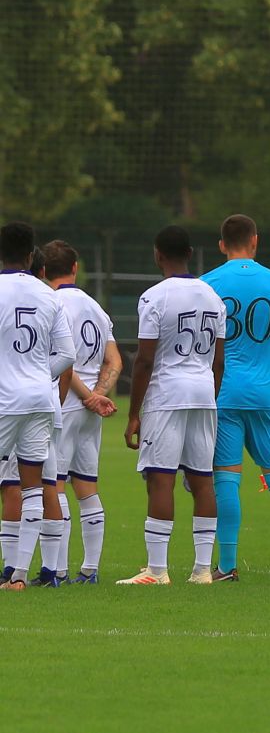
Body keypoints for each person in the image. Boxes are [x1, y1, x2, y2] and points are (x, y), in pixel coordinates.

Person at [201, 215, 270, 582]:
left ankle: (227, 567)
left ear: (221, 244)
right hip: (266, 398)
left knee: (226, 480)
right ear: (255, 241)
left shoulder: (207, 284)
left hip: (223, 395)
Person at [118, 226, 225, 585]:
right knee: (202, 479)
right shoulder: (213, 297)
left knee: (160, 478)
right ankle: (203, 570)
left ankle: (157, 570)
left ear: (157, 254)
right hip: (204, 394)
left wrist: (134, 414)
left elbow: (144, 360)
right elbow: (219, 361)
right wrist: (210, 396)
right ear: (190, 254)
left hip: (167, 395)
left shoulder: (154, 297)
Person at [0, 227, 76, 591]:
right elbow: (67, 354)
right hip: (40, 400)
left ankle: (13, 570)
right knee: (33, 486)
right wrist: (37, 375)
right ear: (31, 256)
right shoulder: (49, 295)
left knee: (13, 484)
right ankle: (18, 575)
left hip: (4, 400)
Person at [43, 240, 121, 584]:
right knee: (87, 486)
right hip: (91, 410)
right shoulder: (95, 307)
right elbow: (114, 361)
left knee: (55, 485)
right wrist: (99, 395)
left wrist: (88, 396)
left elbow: (64, 360)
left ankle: (57, 570)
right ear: (75, 267)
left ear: (43, 271)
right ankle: (90, 570)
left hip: (65, 404)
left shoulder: (51, 304)